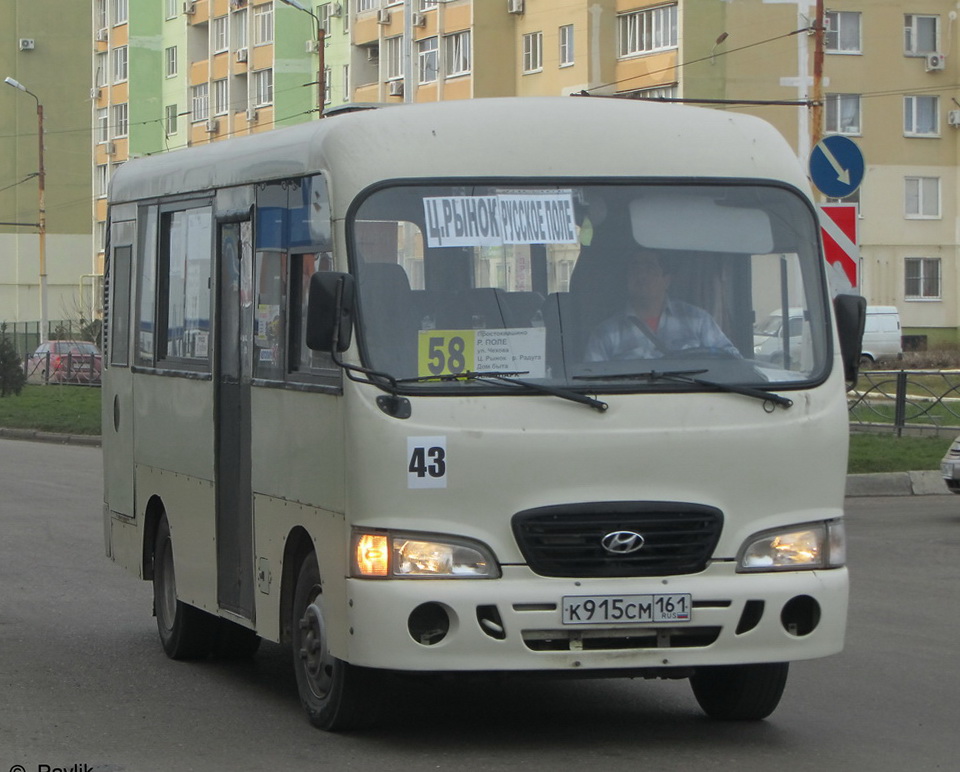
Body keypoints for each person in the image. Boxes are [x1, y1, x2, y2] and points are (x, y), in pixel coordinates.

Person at [584, 249, 739, 362]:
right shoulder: (605, 334)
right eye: (634, 269)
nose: (641, 275)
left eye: (650, 268)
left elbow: (732, 361)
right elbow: (591, 385)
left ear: (667, 280)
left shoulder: (698, 320)